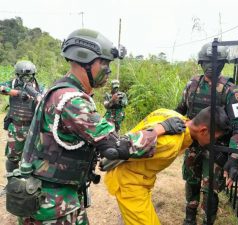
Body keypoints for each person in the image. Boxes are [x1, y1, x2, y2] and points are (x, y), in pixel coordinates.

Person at [6, 28, 185, 225]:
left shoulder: (63, 91)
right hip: (53, 203)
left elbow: (95, 133)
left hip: (58, 195)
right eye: (104, 63)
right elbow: (115, 145)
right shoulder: (71, 101)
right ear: (85, 62)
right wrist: (161, 128)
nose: (107, 70)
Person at [104, 106, 231, 225]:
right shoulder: (171, 143)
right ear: (203, 130)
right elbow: (126, 146)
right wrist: (110, 160)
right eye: (214, 138)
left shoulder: (172, 115)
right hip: (129, 184)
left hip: (139, 180)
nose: (214, 142)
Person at [175, 42, 238, 225]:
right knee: (191, 181)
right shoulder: (192, 85)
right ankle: (189, 219)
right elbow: (179, 111)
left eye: (216, 63)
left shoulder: (231, 90)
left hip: (216, 148)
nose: (211, 67)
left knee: (210, 189)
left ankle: (208, 221)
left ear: (223, 64)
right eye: (207, 62)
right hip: (193, 144)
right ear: (201, 62)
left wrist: (234, 157)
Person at [0, 60, 43, 173]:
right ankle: (12, 184)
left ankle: (28, 186)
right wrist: (17, 93)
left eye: (28, 75)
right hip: (15, 127)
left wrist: (37, 99)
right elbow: (1, 88)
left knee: (33, 159)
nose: (26, 78)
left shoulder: (39, 88)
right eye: (23, 75)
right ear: (18, 75)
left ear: (33, 75)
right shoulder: (13, 84)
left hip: (33, 128)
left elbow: (45, 101)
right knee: (13, 158)